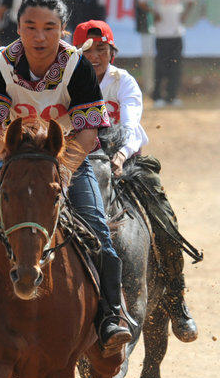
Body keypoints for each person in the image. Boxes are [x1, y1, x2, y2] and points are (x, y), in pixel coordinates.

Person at [0, 0, 133, 356]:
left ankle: (109, 317)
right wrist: (3, 163)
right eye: (30, 27)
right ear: (18, 28)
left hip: (67, 159)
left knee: (98, 231)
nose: (40, 37)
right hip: (11, 161)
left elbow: (88, 134)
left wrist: (65, 170)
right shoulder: (0, 63)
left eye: (49, 28)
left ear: (64, 30)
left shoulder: (77, 66)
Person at [73, 19, 198, 341]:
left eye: (102, 50)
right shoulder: (67, 82)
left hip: (125, 161)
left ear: (112, 51)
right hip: (78, 164)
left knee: (164, 219)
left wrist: (120, 153)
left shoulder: (123, 81)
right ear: (76, 55)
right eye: (88, 51)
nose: (96, 57)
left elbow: (129, 124)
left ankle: (176, 299)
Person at [137, 0, 196, 108]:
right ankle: (158, 96)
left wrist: (184, 16)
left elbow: (192, 0)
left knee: (175, 66)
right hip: (162, 34)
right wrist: (153, 12)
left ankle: (172, 96)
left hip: (176, 33)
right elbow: (141, 0)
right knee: (161, 66)